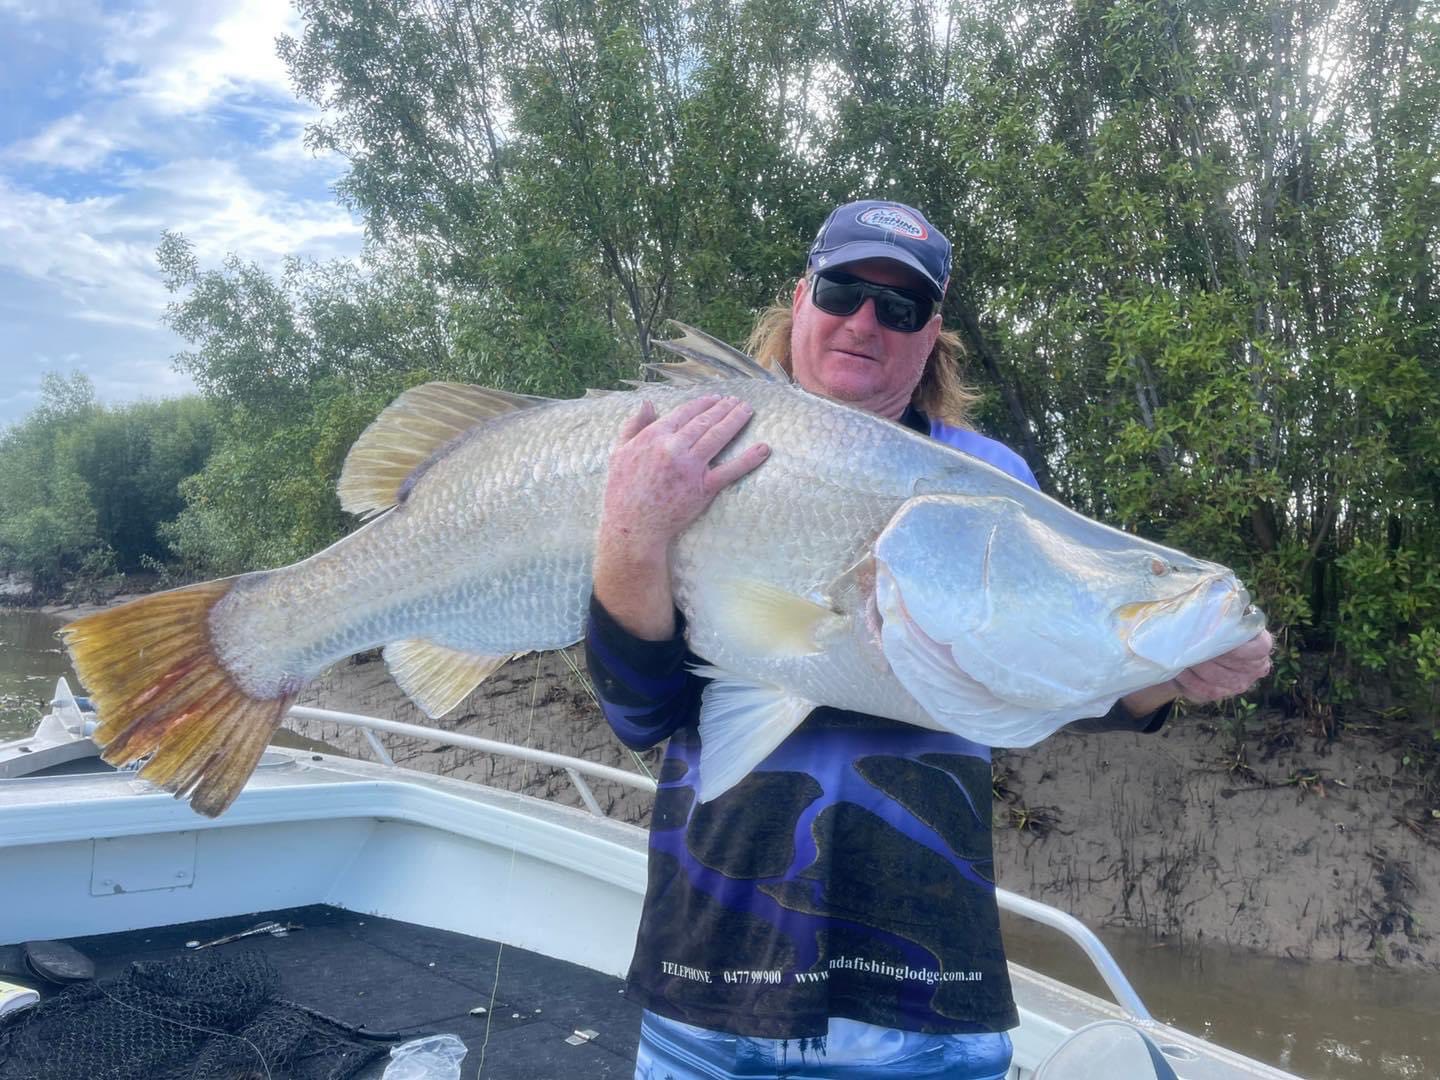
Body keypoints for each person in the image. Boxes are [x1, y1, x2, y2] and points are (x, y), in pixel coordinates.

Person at [585, 199, 1272, 1079]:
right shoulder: (675, 456)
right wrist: (631, 536)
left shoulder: (988, 483)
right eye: (843, 291)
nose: (867, 321)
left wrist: (1171, 673)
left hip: (922, 994)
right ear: (801, 298)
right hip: (713, 977)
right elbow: (642, 714)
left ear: (931, 332)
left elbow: (1026, 670)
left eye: (901, 306)